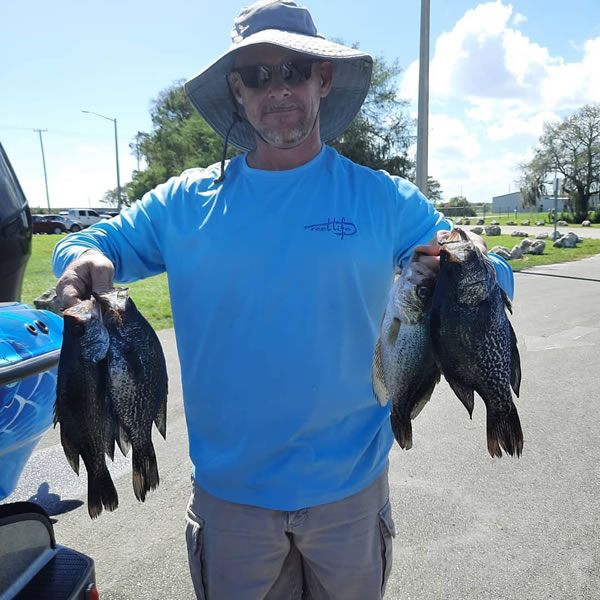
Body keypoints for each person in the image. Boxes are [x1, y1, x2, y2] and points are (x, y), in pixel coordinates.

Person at [53, 1, 515, 598]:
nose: (280, 89)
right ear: (237, 90)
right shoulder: (183, 203)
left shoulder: (384, 200)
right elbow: (91, 241)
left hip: (350, 490)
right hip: (231, 500)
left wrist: (478, 263)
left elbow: (483, 273)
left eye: (295, 69)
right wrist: (80, 261)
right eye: (260, 75)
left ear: (323, 80)